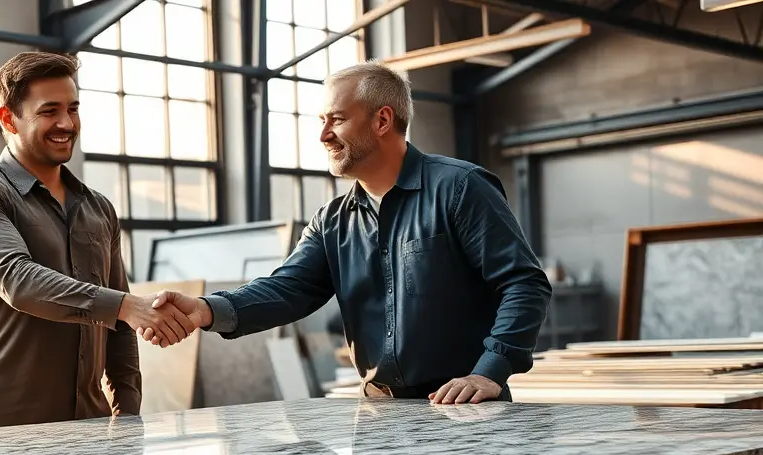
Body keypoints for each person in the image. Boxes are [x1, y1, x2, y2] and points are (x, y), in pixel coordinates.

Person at [145, 61, 552, 405]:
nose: (323, 135)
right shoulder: (333, 220)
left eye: (336, 120)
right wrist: (205, 309)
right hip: (378, 416)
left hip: (463, 409)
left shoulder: (459, 188)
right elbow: (287, 289)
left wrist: (489, 372)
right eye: (322, 121)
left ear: (382, 119)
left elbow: (524, 283)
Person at [0, 52, 196, 430]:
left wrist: (127, 413)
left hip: (90, 425)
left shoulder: (99, 209)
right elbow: (19, 282)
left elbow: (119, 326)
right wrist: (126, 306)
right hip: (2, 427)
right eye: (49, 111)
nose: (66, 123)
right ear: (8, 118)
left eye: (73, 109)